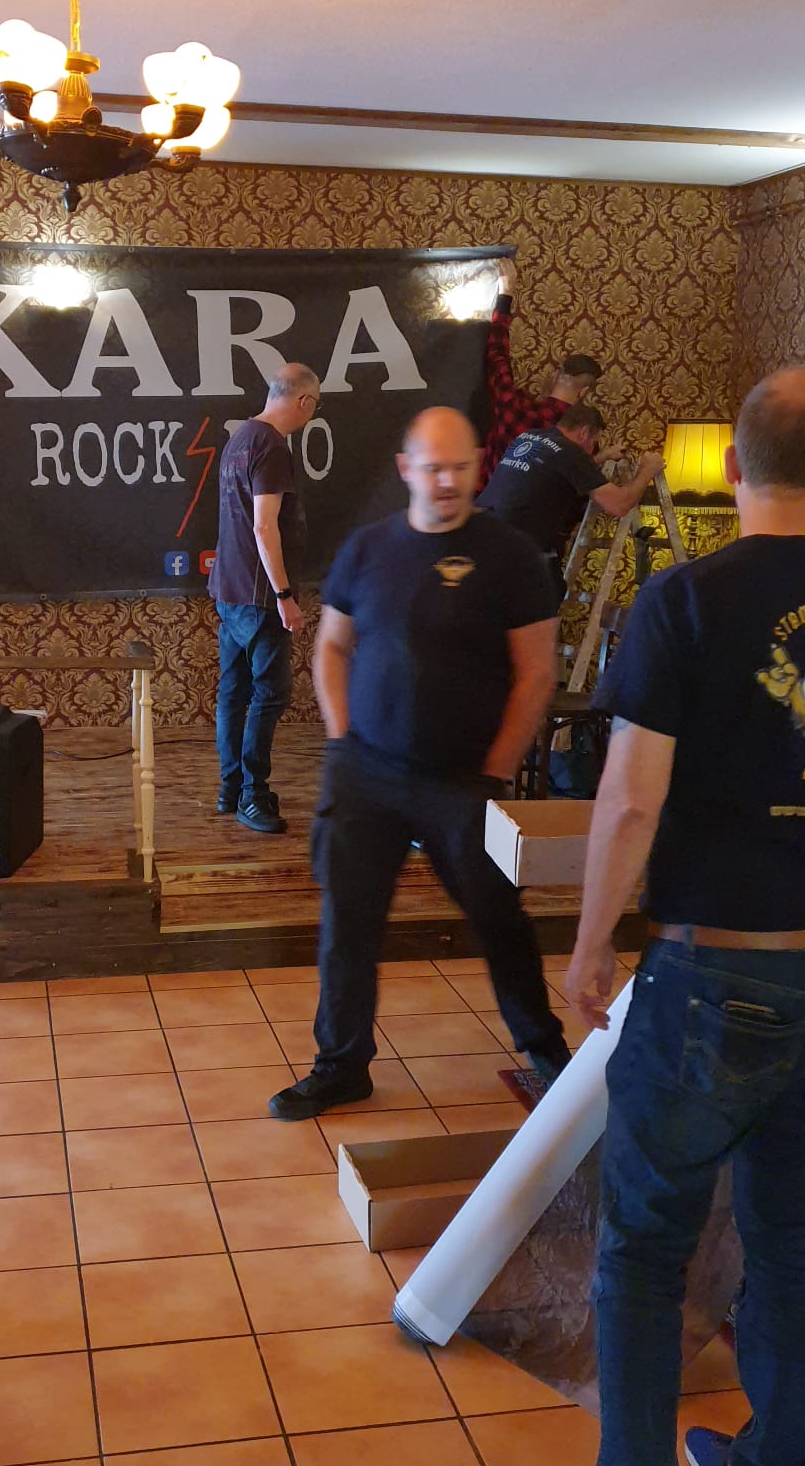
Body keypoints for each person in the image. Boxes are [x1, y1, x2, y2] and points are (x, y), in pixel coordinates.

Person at [562, 366, 805, 1466]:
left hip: (713, 970)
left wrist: (589, 946)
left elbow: (629, 801)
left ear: (731, 469)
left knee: (642, 1259)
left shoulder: (685, 600)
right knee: (798, 1243)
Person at [269, 405, 569, 1121]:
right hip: (366, 772)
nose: (447, 482)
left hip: (462, 780)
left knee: (498, 917)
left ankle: (547, 1053)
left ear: (478, 467)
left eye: (460, 467)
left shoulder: (510, 556)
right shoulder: (367, 549)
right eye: (433, 468)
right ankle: (341, 1066)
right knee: (348, 924)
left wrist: (494, 770)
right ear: (406, 469)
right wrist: (342, 740)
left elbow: (536, 673)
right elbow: (332, 647)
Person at [209, 362, 321, 834]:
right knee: (271, 693)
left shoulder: (240, 438)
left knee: (234, 692)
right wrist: (284, 595)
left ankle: (231, 788)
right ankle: (253, 796)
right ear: (303, 401)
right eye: (314, 407)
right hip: (258, 596)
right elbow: (262, 525)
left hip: (228, 589)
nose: (312, 415)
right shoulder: (272, 446)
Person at [479, 404, 665, 601]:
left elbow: (561, 469)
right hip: (517, 548)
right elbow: (620, 505)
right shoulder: (571, 453)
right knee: (548, 597)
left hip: (482, 532)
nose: (591, 449)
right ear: (584, 433)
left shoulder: (530, 437)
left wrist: (602, 457)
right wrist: (647, 470)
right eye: (594, 442)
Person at [477, 258, 603, 490]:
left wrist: (506, 294)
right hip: (537, 511)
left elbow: (496, 354)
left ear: (555, 375)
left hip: (488, 501)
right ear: (584, 392)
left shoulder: (513, 404)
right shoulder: (579, 435)